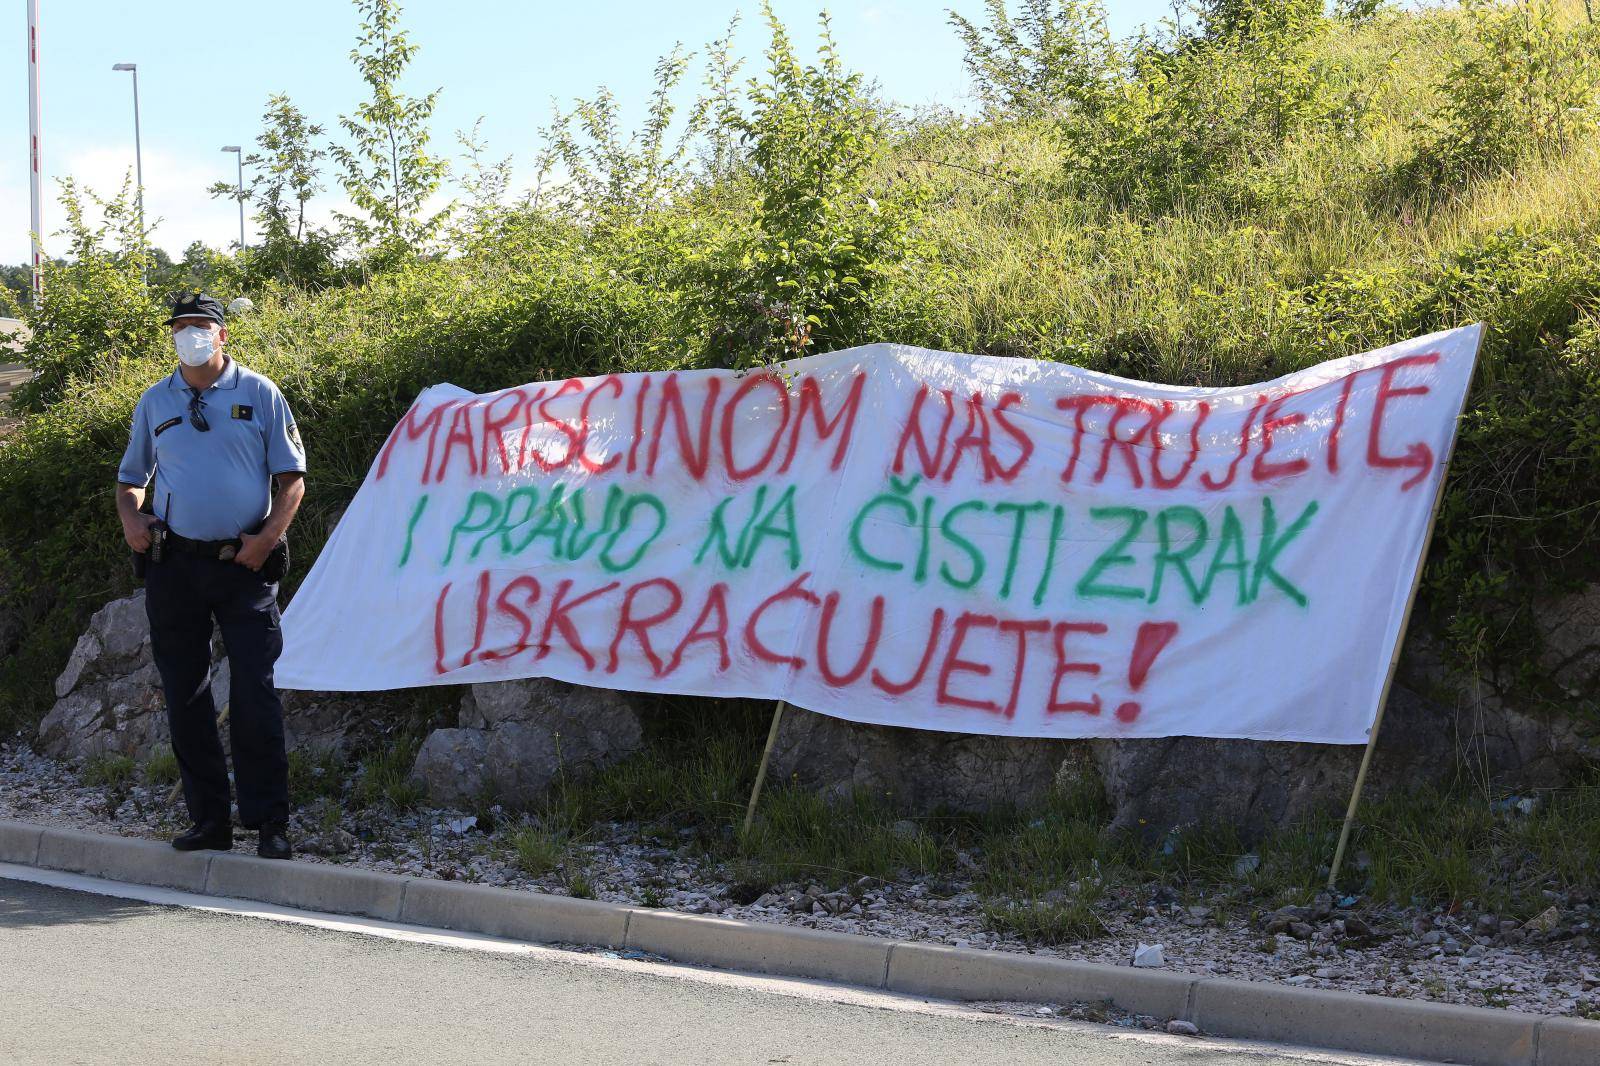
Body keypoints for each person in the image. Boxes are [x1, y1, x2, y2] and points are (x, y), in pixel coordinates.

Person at [115, 292, 306, 859]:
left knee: (254, 692)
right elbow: (131, 478)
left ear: (222, 335)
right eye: (181, 327)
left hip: (243, 566)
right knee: (186, 695)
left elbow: (292, 479)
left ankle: (269, 822)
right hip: (174, 567)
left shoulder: (260, 393)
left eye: (201, 326)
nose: (190, 335)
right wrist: (131, 518)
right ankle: (209, 822)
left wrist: (266, 539)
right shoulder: (155, 400)